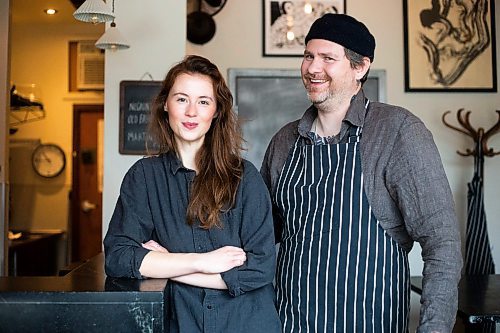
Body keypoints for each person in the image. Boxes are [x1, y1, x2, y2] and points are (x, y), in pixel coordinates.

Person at [260, 13, 462, 333]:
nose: (313, 68)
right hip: (287, 325)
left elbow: (443, 245)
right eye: (309, 56)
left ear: (360, 67)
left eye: (328, 58)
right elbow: (258, 238)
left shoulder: (397, 131)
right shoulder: (284, 141)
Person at [104, 55, 281, 333]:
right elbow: (118, 258)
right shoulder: (144, 177)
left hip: (248, 323)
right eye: (181, 99)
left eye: (203, 101)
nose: (191, 112)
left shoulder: (245, 177)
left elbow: (260, 268)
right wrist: (203, 261)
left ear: (217, 110)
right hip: (182, 323)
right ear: (166, 104)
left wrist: (168, 263)